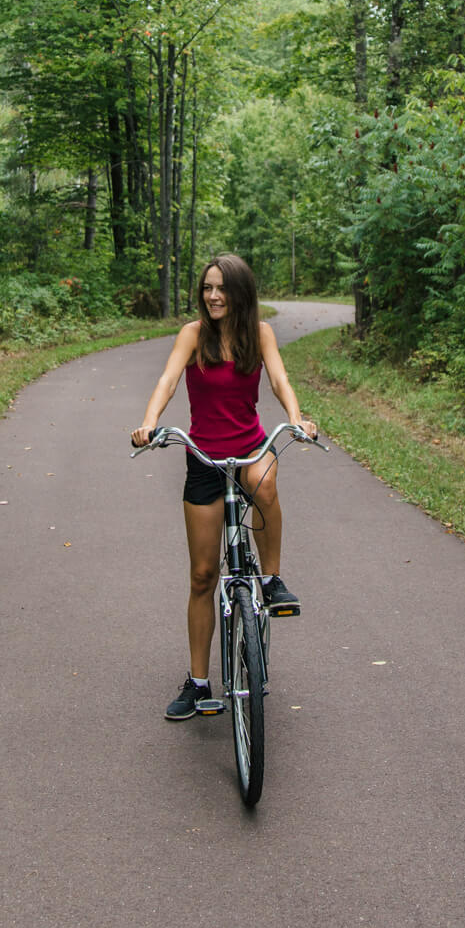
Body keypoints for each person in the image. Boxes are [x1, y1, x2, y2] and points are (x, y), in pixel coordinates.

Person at [131, 253, 318, 720]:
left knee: (266, 486)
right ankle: (198, 682)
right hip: (203, 457)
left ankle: (271, 580)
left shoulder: (260, 334)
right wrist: (149, 423)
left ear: (240, 293)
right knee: (202, 575)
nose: (213, 296)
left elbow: (279, 378)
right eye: (207, 288)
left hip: (252, 448)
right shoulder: (193, 335)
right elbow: (168, 380)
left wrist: (296, 420)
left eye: (221, 289)